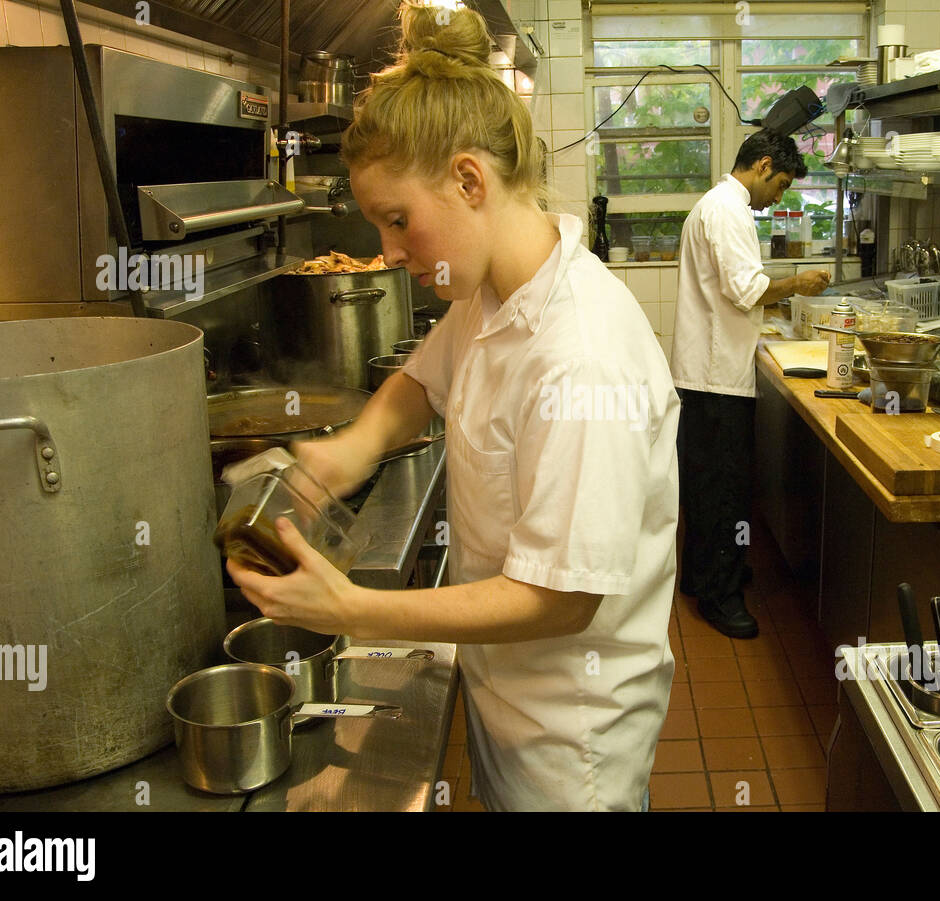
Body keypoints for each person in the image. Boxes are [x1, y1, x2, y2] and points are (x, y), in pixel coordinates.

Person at [226, 3, 679, 812]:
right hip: (506, 697)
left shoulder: (582, 354)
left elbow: (562, 597)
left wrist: (355, 607)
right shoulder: (487, 293)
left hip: (571, 750)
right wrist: (348, 451)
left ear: (470, 180)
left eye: (398, 221)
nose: (390, 252)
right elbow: (418, 383)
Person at [670, 130, 832, 639]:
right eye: (780, 184)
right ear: (762, 165)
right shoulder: (728, 210)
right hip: (715, 379)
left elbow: (734, 291)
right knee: (722, 493)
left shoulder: (718, 206)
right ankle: (720, 599)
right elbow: (746, 291)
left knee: (705, 489)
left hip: (708, 375)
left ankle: (702, 577)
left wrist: (780, 296)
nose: (778, 198)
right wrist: (799, 283)